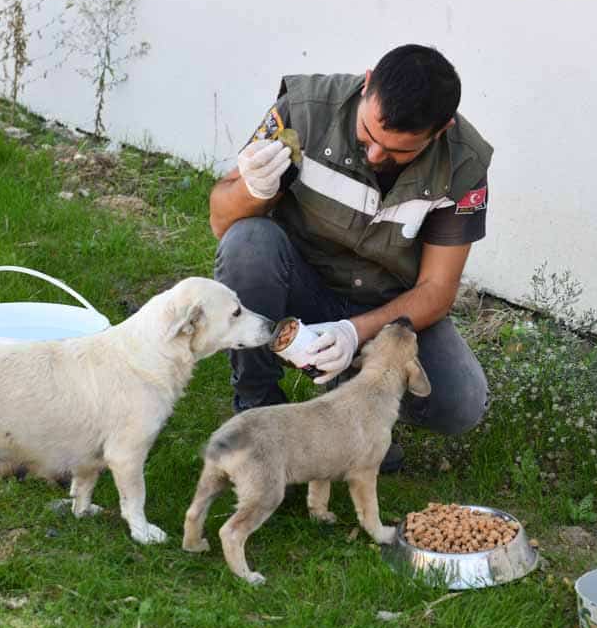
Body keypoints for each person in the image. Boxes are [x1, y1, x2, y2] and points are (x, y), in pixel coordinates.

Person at [209, 44, 492, 471]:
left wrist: (351, 332)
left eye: (399, 152)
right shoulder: (303, 112)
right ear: (366, 83)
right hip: (299, 283)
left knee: (460, 403)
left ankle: (355, 413)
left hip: (386, 306)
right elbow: (222, 223)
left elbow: (437, 291)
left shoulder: (463, 164)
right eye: (368, 134)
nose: (376, 156)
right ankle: (256, 409)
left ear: (440, 130)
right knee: (248, 242)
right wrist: (254, 190)